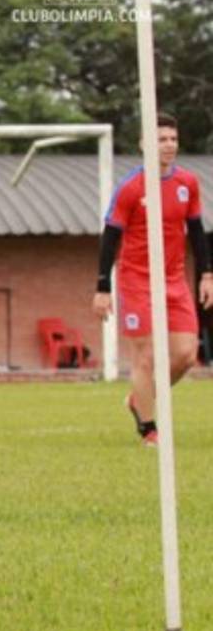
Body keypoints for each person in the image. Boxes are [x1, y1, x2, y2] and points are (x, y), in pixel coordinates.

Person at [94, 113, 213, 446]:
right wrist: (102, 287)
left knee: (186, 354)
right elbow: (110, 237)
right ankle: (148, 428)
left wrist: (207, 274)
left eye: (173, 139)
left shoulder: (187, 183)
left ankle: (139, 398)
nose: (169, 145)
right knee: (145, 356)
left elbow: (197, 231)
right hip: (137, 281)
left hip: (174, 280)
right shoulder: (131, 188)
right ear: (145, 144)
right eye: (162, 139)